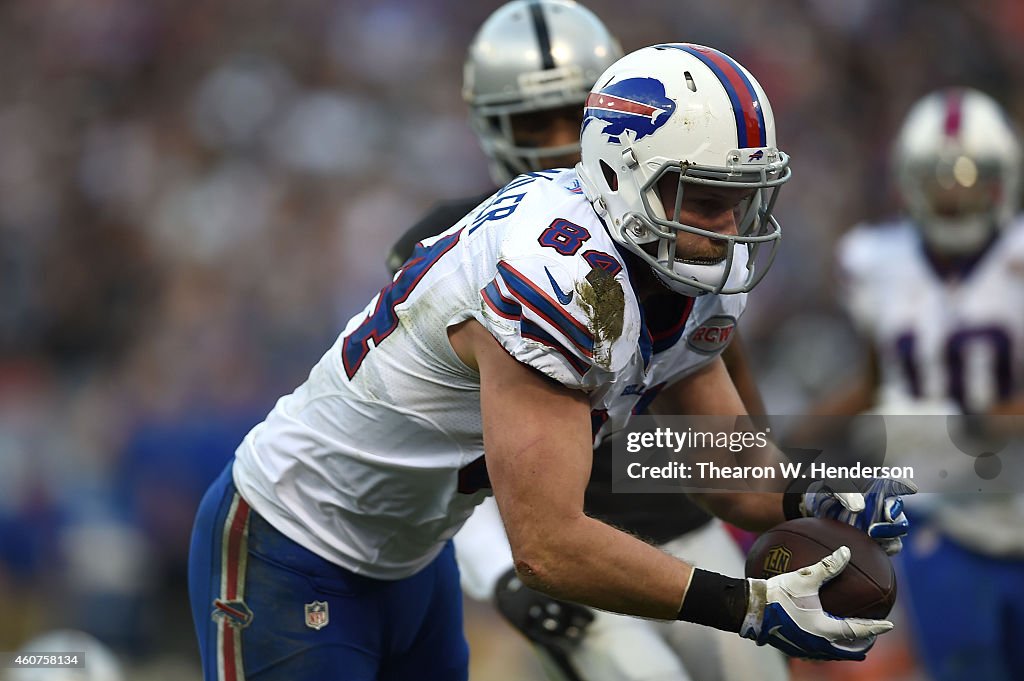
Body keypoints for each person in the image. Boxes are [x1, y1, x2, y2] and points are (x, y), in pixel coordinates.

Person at [189, 41, 909, 681]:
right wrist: (745, 605)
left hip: (413, 554)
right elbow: (548, 544)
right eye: (703, 199)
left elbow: (722, 466)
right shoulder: (557, 270)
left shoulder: (680, 273)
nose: (725, 230)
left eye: (741, 201)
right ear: (624, 176)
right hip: (293, 536)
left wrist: (816, 494)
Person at [386, 3, 785, 680]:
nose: (556, 140)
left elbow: (720, 368)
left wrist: (782, 497)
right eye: (531, 122)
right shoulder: (467, 243)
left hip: (673, 507)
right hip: (564, 532)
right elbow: (431, 442)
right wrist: (501, 572)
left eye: (574, 115)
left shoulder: (685, 227)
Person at [830, 87, 1024, 681]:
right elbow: (870, 382)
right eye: (939, 181)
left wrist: (1001, 419)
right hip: (941, 514)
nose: (953, 196)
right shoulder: (873, 261)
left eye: (969, 181)